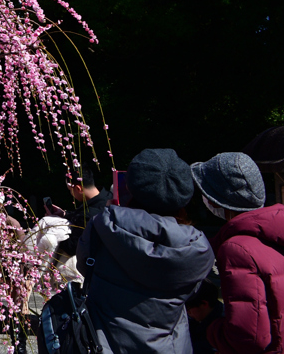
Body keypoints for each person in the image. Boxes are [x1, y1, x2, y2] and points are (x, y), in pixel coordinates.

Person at [77, 148, 214, 353]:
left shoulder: (103, 227)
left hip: (105, 341)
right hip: (170, 344)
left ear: (131, 188)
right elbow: (192, 290)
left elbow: (85, 266)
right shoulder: (198, 247)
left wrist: (114, 212)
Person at [191, 151, 284, 353]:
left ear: (216, 200)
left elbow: (249, 337)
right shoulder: (278, 231)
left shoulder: (237, 249)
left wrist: (211, 327)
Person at [46, 166, 113, 259]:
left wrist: (53, 233)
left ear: (78, 188)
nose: (71, 194)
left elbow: (71, 247)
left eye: (70, 190)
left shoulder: (89, 215)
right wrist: (65, 214)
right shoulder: (109, 196)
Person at [186, 280, 222, 354]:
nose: (187, 313)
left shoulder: (220, 332)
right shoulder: (201, 317)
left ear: (204, 304)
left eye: (188, 309)